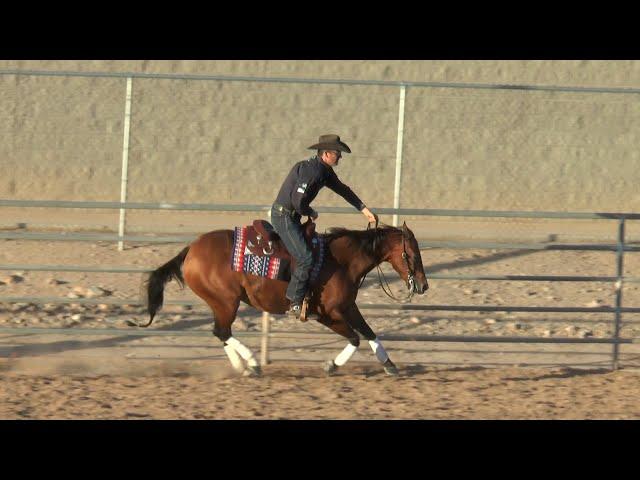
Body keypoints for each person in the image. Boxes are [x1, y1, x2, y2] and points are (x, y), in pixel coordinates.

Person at [271, 134, 378, 318]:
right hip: (284, 217)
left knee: (314, 251)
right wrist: (310, 211)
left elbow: (343, 190)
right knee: (305, 257)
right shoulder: (313, 172)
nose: (340, 157)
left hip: (292, 217)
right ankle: (295, 300)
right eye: (338, 153)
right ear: (326, 154)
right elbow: (298, 201)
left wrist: (364, 209)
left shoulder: (324, 171)